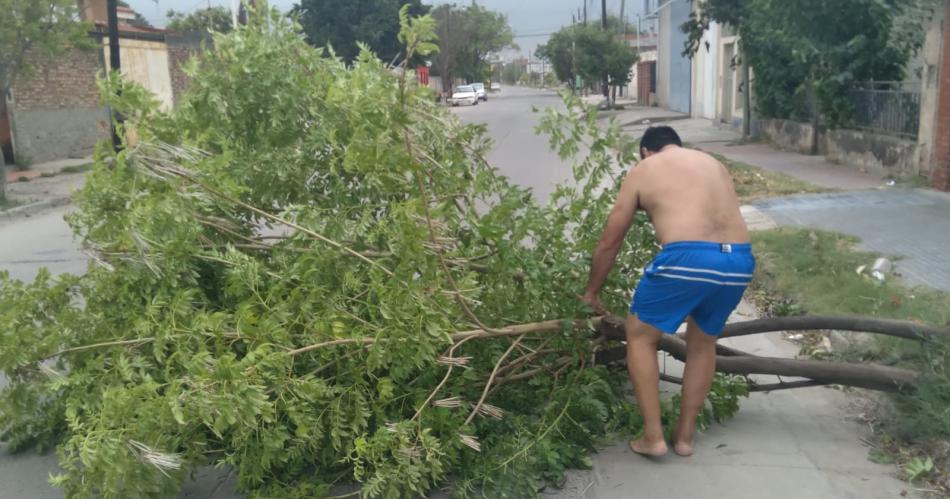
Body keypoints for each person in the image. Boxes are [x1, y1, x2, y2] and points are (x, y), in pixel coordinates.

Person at [581, 126, 754, 458]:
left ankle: (653, 437)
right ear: (679, 145)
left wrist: (592, 292)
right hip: (739, 261)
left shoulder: (644, 169)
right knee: (703, 342)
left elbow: (610, 242)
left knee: (640, 335)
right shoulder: (713, 163)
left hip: (688, 257)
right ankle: (685, 438)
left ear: (646, 151)